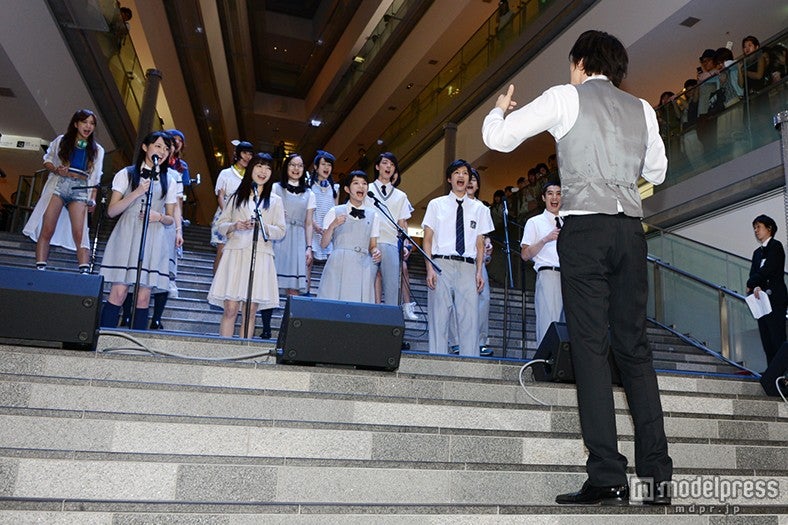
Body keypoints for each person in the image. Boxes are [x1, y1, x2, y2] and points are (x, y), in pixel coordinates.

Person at [482, 29, 673, 505]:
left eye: (572, 64)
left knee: (590, 348)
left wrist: (500, 110)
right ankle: (658, 478)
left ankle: (607, 475)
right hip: (630, 232)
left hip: (585, 232)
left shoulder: (565, 97)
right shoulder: (644, 109)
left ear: (581, 63)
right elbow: (657, 173)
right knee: (635, 350)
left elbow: (499, 140)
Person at [99, 131, 177, 330]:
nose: (162, 151)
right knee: (118, 290)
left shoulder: (170, 180)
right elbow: (112, 211)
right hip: (127, 233)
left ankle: (137, 347)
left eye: (166, 148)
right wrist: (137, 192)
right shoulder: (126, 173)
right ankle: (103, 337)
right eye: (158, 146)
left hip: (153, 235)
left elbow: (171, 219)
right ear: (145, 147)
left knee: (144, 296)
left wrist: (159, 217)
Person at [208, 153, 285, 338]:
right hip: (235, 254)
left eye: (267, 168)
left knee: (250, 310)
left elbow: (281, 230)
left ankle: (243, 355)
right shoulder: (236, 197)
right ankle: (223, 351)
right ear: (251, 169)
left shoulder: (275, 200)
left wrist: (263, 226)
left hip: (260, 255)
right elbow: (220, 225)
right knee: (231, 308)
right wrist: (236, 225)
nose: (263, 171)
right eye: (259, 166)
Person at [422, 159, 494, 357]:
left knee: (469, 317)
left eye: (465, 173)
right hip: (441, 264)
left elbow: (480, 244)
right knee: (439, 316)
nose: (461, 176)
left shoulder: (480, 209)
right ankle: (436, 359)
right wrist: (429, 268)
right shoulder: (436, 205)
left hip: (468, 266)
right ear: (449, 178)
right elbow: (427, 240)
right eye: (457, 173)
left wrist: (479, 272)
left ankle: (470, 363)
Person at [24, 109, 104, 273]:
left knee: (80, 232)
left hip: (81, 187)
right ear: (76, 124)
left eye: (92, 123)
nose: (88, 126)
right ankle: (40, 267)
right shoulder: (62, 141)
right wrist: (55, 169)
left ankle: (84, 271)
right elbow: (47, 160)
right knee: (47, 227)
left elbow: (96, 177)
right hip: (59, 183)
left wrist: (93, 198)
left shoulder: (97, 149)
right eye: (84, 122)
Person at [448, 168, 494, 356]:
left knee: (483, 299)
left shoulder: (483, 208)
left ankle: (480, 341)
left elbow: (485, 237)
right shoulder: (450, 204)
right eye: (468, 178)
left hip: (477, 261)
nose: (470, 183)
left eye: (474, 180)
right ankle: (456, 341)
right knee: (454, 299)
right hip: (457, 259)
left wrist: (488, 247)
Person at [365, 152, 416, 319]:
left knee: (393, 288)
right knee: (367, 284)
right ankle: (369, 320)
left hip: (391, 244)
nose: (388, 167)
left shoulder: (401, 196)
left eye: (392, 165)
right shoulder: (367, 189)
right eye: (385, 163)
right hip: (368, 242)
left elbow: (403, 223)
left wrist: (407, 245)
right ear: (377, 166)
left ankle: (391, 324)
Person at [317, 171, 381, 302]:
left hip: (362, 265)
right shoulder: (335, 211)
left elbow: (373, 245)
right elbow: (323, 244)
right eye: (356, 183)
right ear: (347, 189)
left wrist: (376, 252)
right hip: (339, 263)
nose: (361, 187)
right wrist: (333, 225)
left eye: (364, 184)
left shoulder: (373, 215)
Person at [521, 181, 564, 347]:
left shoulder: (570, 222)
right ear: (543, 197)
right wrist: (546, 239)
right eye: (550, 193)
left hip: (570, 277)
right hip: (549, 275)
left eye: (558, 193)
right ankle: (545, 364)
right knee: (549, 323)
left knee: (569, 324)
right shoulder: (534, 222)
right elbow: (525, 254)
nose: (555, 197)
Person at [746, 214, 787, 366]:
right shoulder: (757, 252)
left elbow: (768, 269)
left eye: (759, 227)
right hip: (762, 302)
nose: (756, 231)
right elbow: (754, 273)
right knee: (767, 340)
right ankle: (772, 373)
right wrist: (755, 285)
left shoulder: (776, 246)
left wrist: (752, 282)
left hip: (775, 300)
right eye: (754, 228)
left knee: (777, 338)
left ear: (769, 228)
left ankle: (783, 374)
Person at [272, 153, 315, 296]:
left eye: (300, 165)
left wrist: (309, 247)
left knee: (294, 288)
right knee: (271, 284)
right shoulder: (275, 188)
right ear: (286, 167)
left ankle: (290, 319)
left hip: (298, 240)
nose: (296, 168)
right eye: (292, 165)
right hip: (278, 238)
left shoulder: (310, 193)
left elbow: (308, 223)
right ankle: (266, 319)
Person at [211, 141, 254, 273]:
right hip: (225, 215)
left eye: (250, 154)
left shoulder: (251, 176)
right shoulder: (226, 173)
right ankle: (215, 286)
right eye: (245, 153)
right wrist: (227, 215)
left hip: (243, 218)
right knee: (222, 251)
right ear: (238, 154)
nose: (248, 157)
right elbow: (220, 196)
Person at [307, 150, 339, 295]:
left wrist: (329, 229)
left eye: (329, 165)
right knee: (309, 261)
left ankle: (327, 293)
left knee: (331, 263)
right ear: (315, 166)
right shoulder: (308, 185)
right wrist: (315, 225)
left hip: (327, 230)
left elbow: (335, 210)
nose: (326, 167)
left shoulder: (335, 188)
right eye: (323, 164)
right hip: (311, 228)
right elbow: (305, 210)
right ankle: (305, 293)